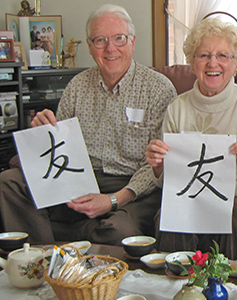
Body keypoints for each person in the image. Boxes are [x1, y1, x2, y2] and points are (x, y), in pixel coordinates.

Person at [0, 4, 177, 245]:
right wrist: (42, 133)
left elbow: (158, 167)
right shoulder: (76, 86)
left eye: (119, 39)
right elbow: (57, 149)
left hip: (131, 187)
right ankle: (41, 261)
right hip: (78, 180)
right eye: (100, 40)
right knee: (10, 182)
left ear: (132, 42)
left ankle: (56, 241)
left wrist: (112, 200)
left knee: (120, 233)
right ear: (91, 47)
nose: (110, 48)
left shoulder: (159, 89)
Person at [145, 17, 237, 260]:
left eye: (223, 55)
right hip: (193, 194)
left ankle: (231, 289)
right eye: (203, 55)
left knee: (236, 213)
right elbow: (165, 183)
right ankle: (175, 292)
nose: (213, 63)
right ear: (191, 62)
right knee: (167, 214)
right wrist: (158, 166)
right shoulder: (177, 108)